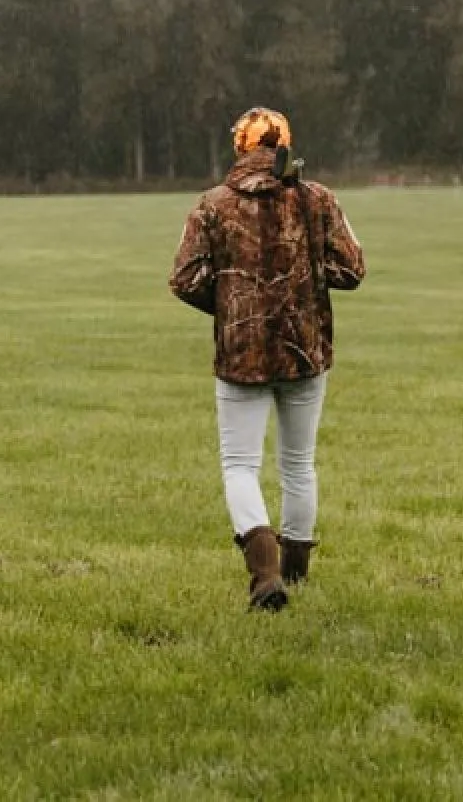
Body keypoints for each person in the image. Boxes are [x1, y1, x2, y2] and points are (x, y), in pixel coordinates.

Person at [168, 106, 365, 611]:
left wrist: (233, 303)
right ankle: (295, 570)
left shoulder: (213, 205)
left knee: (240, 465)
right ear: (284, 147)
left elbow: (185, 278)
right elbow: (352, 269)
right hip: (305, 350)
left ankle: (264, 575)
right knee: (299, 464)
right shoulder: (316, 199)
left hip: (241, 355)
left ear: (239, 147)